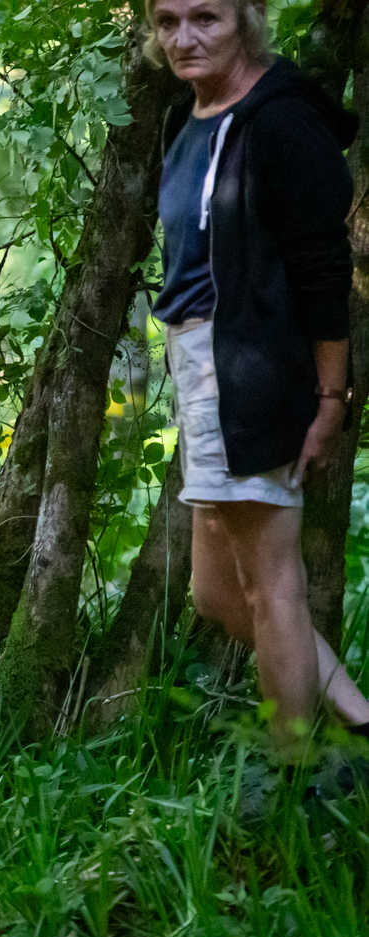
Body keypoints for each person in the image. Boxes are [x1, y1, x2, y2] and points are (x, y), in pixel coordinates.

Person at [148, 0, 364, 743]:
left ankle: (292, 773)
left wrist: (330, 396)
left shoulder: (281, 122)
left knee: (272, 588)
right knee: (216, 595)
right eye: (167, 20)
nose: (183, 38)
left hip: (249, 367)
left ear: (249, 18)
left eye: (205, 18)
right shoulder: (186, 118)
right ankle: (358, 718)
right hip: (200, 362)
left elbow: (323, 269)